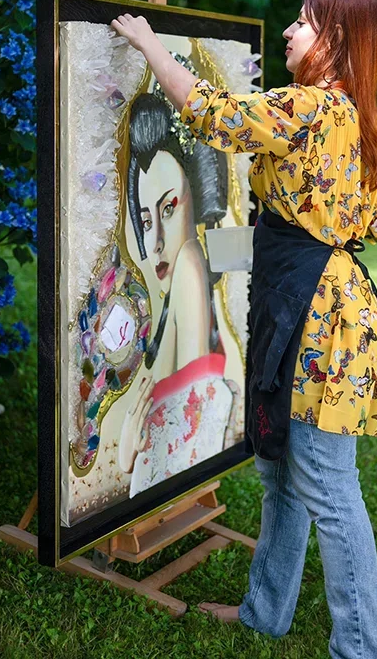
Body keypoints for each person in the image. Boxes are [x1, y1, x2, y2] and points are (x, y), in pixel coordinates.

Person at [111, 0, 377, 658]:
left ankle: (362, 650)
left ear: (334, 39)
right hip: (314, 295)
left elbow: (213, 114)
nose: (289, 33)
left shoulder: (306, 106)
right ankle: (264, 614)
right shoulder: (360, 117)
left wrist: (150, 44)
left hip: (314, 313)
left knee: (328, 487)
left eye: (303, 24)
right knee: (280, 471)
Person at [119, 90, 243, 496]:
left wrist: (128, 453)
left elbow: (177, 446)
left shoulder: (189, 263)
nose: (154, 241)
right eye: (144, 218)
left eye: (168, 208)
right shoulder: (193, 273)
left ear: (196, 196)